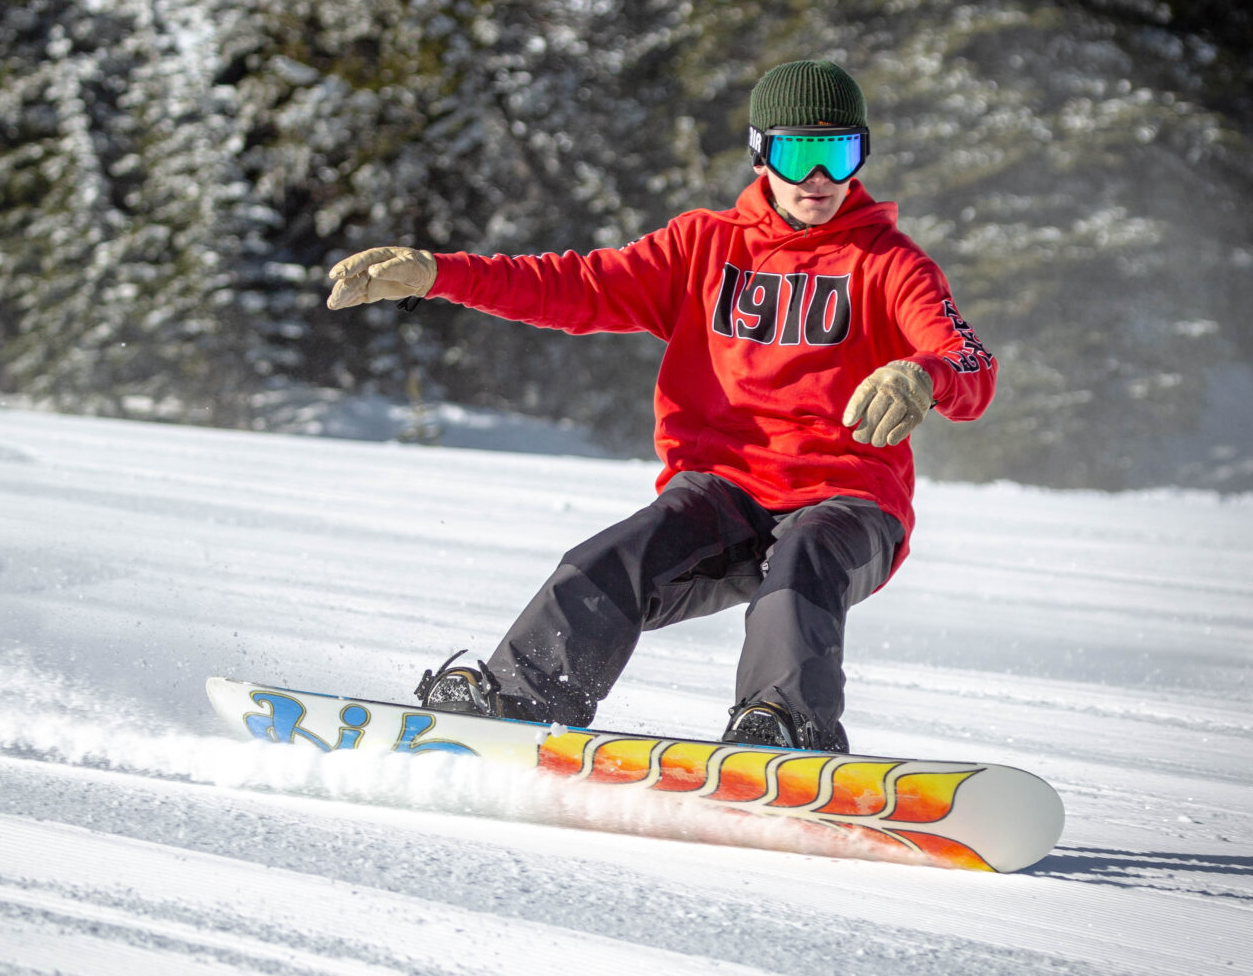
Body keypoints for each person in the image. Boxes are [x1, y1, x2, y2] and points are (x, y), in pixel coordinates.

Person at [325, 60, 995, 752]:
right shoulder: (702, 247)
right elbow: (575, 287)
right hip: (724, 493)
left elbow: (969, 359)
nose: (818, 179)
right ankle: (522, 703)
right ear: (762, 152)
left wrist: (924, 376)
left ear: (861, 156)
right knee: (610, 560)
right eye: (799, 153)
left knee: (803, 563)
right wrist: (442, 275)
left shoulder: (890, 263)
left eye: (838, 153)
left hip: (850, 503)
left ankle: (785, 726)